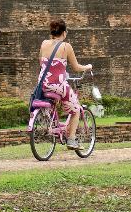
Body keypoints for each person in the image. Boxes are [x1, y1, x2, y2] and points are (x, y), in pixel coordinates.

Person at [39, 19, 92, 149]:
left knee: (57, 96)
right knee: (76, 110)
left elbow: (41, 62)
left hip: (43, 83)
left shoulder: (44, 43)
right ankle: (72, 139)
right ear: (64, 33)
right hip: (58, 85)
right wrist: (87, 67)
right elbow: (76, 67)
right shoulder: (66, 46)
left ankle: (55, 123)